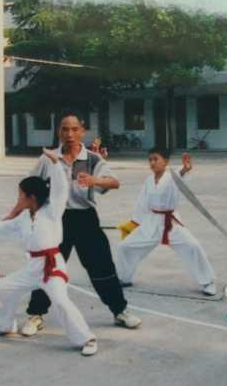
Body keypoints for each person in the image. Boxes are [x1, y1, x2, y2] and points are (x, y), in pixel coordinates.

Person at [20, 109, 141, 337]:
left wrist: (94, 179)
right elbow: (28, 186)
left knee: (102, 265)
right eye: (65, 129)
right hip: (55, 220)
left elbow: (114, 182)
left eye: (75, 129)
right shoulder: (47, 158)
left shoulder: (93, 159)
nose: (69, 134)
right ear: (59, 131)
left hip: (85, 218)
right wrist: (31, 215)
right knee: (46, 267)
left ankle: (120, 311)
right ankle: (36, 315)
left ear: (82, 132)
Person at [0, 148, 97, 356]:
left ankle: (87, 339)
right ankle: (4, 326)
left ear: (31, 197)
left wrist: (55, 164)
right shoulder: (25, 218)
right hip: (32, 268)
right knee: (0, 289)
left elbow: (61, 190)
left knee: (61, 301)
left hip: (52, 266)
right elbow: (3, 228)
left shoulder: (52, 211)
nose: (18, 198)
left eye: (20, 195)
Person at [115, 148, 217, 295]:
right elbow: (141, 203)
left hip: (171, 223)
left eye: (156, 159)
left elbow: (180, 175)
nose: (152, 162)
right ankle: (124, 278)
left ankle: (208, 282)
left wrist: (185, 169)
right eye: (150, 159)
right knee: (125, 246)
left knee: (193, 246)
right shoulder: (149, 180)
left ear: (166, 162)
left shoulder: (172, 176)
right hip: (151, 221)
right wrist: (134, 223)